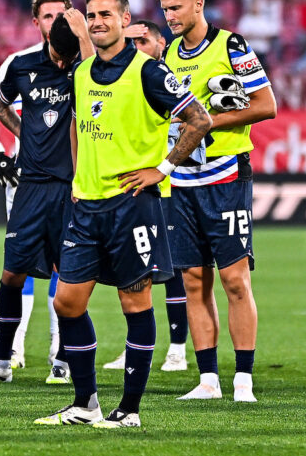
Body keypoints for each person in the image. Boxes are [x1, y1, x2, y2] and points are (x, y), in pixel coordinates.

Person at [34, 0, 210, 429]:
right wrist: (79, 177)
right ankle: (85, 404)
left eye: (105, 15)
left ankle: (129, 410)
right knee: (67, 303)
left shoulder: (149, 71)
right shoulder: (81, 73)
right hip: (86, 207)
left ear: (125, 19)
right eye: (91, 15)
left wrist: (162, 169)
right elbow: (79, 126)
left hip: (133, 206)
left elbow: (199, 120)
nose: (97, 22)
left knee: (135, 305)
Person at [155, 0, 277, 402]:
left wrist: (208, 123)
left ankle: (243, 380)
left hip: (225, 177)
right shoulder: (168, 54)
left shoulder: (231, 46)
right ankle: (208, 379)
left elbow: (266, 105)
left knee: (235, 280)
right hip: (182, 179)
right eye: (165, 9)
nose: (169, 16)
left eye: (176, 7)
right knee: (193, 281)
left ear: (198, 4)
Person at [0, 0, 76, 385]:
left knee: (69, 273)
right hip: (28, 184)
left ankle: (62, 360)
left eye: (62, 15)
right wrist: (0, 153)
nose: (55, 23)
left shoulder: (88, 66)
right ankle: (5, 360)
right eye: (48, 16)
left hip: (72, 186)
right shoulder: (20, 63)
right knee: (13, 272)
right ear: (36, 22)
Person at [100, 19, 192, 374]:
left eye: (143, 41)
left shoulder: (168, 79)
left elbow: (197, 122)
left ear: (160, 43)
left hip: (169, 189)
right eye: (132, 42)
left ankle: (178, 349)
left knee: (173, 270)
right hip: (133, 190)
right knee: (135, 273)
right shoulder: (124, 79)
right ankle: (136, 347)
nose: (136, 47)